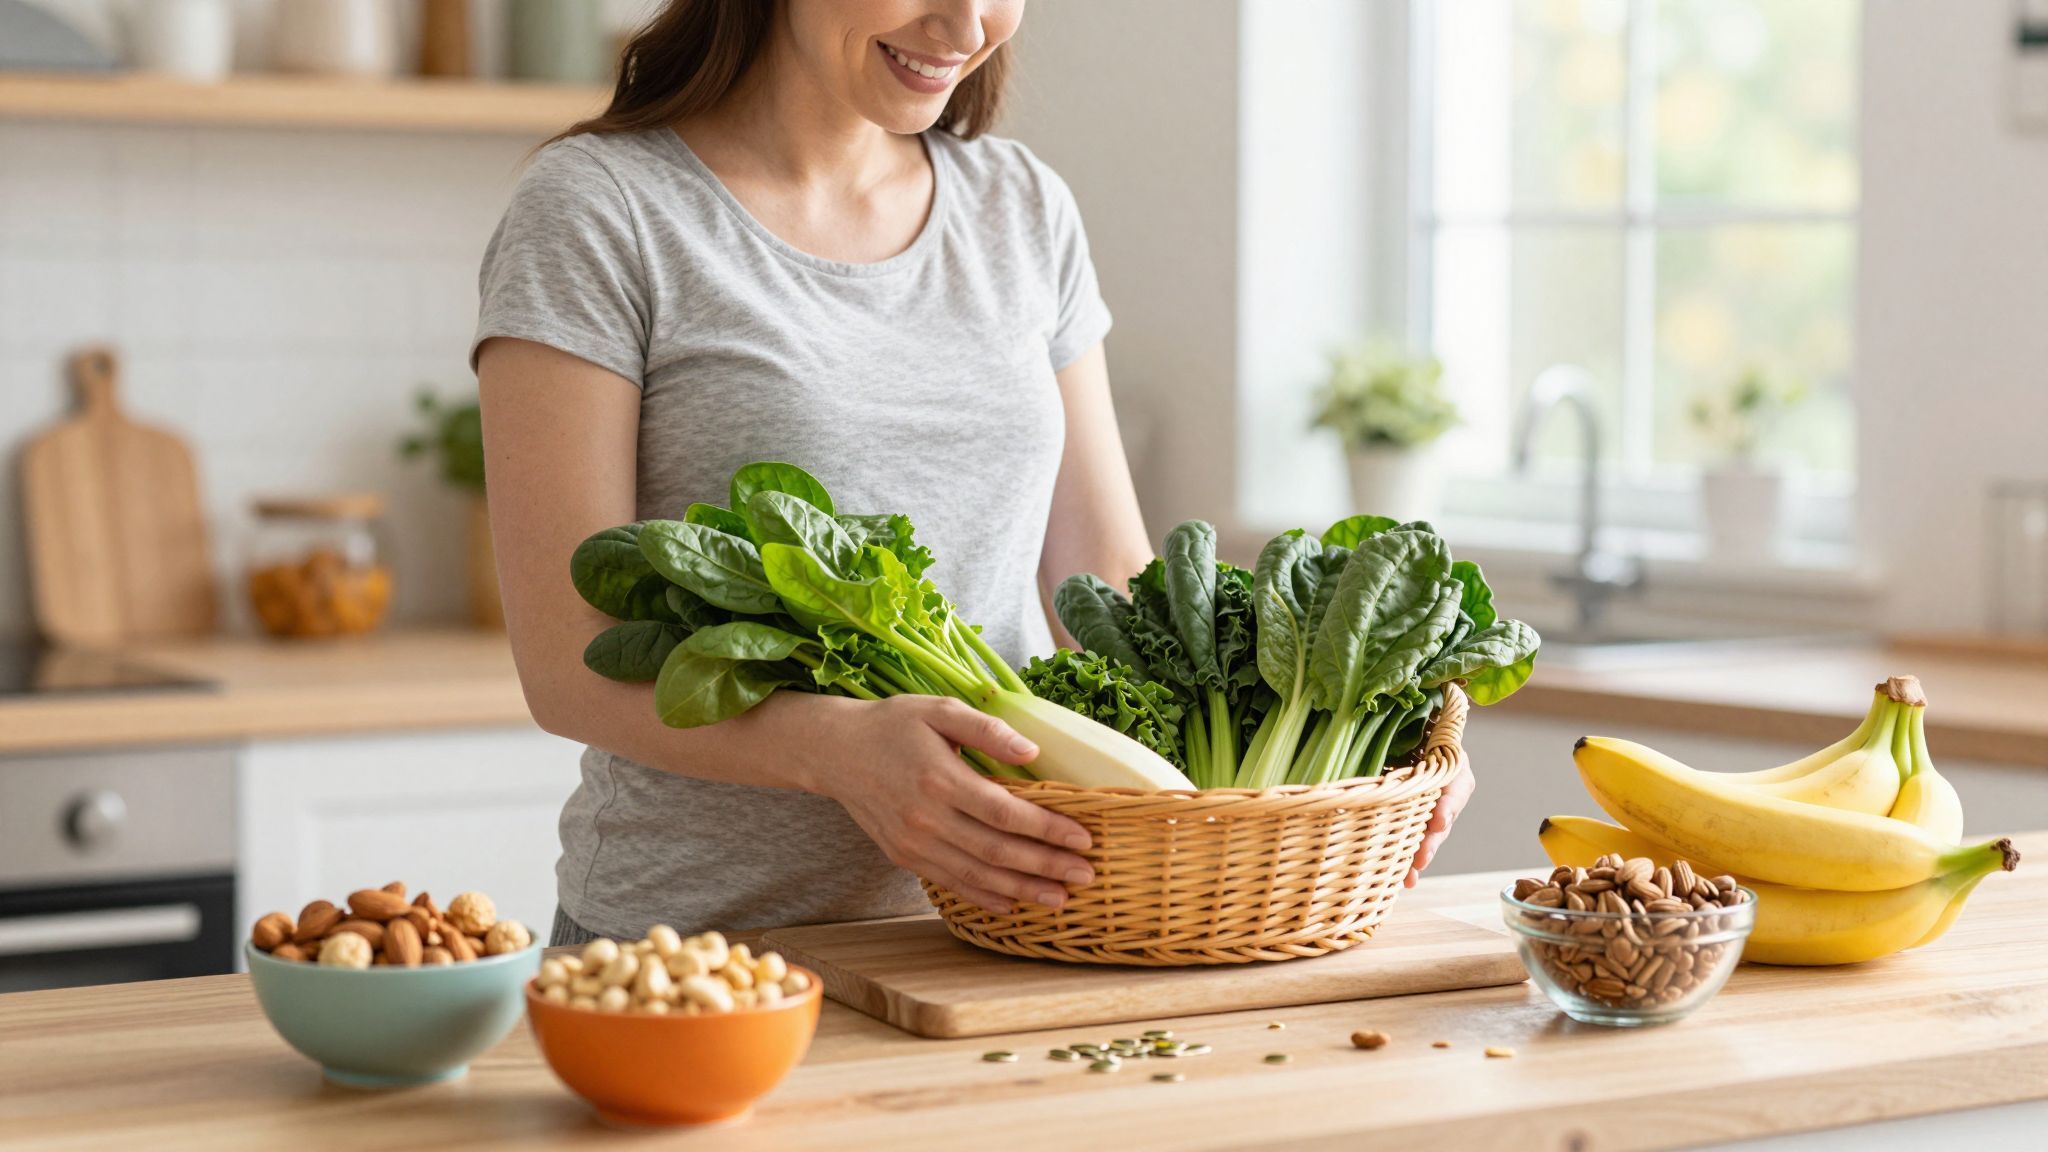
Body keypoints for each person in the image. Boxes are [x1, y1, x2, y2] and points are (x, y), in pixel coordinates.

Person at [474, 0, 1473, 946]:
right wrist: (833, 752)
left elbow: (1112, 587)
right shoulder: (600, 208)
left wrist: (1363, 740)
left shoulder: (1019, 206)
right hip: (693, 950)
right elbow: (568, 665)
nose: (964, 27)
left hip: (1003, 938)